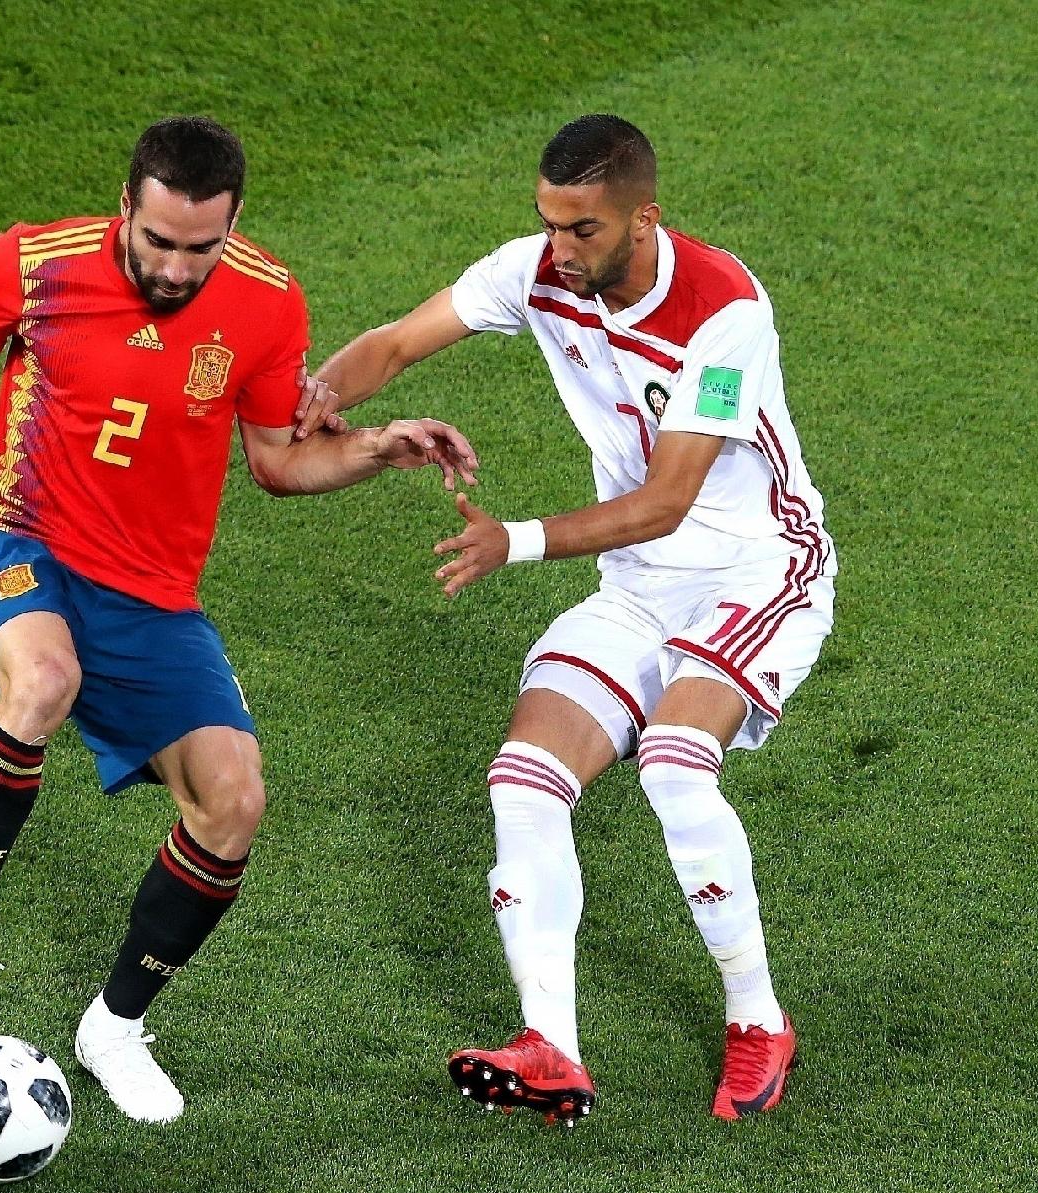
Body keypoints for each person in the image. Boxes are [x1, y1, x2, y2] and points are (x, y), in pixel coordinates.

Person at [0, 116, 476, 1124]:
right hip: (18, 539)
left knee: (234, 801)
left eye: (200, 248)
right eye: (158, 241)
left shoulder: (267, 299)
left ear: (232, 225)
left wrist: (377, 447)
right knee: (43, 680)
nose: (175, 268)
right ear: (127, 206)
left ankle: (114, 1026)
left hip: (152, 592)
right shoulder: (38, 264)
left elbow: (278, 461)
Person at [310, 114, 834, 1123]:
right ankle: (550, 1043)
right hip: (639, 586)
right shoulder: (538, 270)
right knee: (523, 779)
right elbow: (399, 341)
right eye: (549, 223)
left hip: (758, 568)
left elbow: (666, 501)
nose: (559, 248)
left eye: (582, 229)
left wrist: (513, 540)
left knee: (676, 762)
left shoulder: (725, 313)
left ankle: (759, 1021)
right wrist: (315, 395)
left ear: (644, 220)